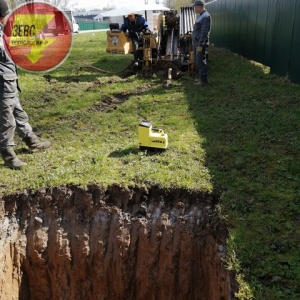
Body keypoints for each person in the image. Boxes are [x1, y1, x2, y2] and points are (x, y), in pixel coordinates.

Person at [0, 0, 51, 170]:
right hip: (2, 83)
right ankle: (8, 156)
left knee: (19, 115)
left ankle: (33, 142)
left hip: (10, 81)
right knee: (7, 121)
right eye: (5, 14)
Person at [192, 0, 211, 86]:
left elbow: (204, 32)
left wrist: (200, 44)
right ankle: (201, 78)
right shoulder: (200, 16)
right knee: (197, 61)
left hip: (200, 44)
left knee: (201, 61)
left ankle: (203, 80)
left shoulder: (205, 17)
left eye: (196, 7)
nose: (195, 9)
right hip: (197, 43)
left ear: (200, 6)